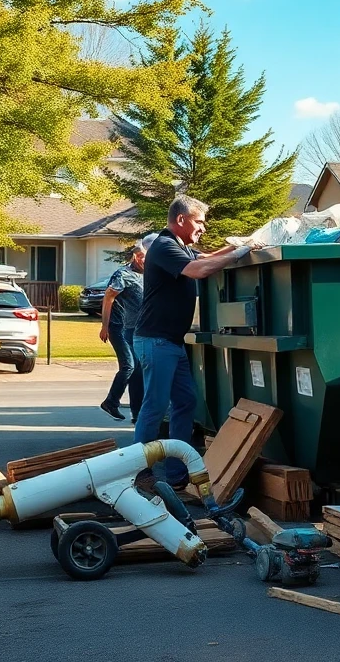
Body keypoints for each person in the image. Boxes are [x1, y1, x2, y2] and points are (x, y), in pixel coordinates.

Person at [134, 195, 260, 488]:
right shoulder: (165, 246)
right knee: (155, 405)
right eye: (199, 221)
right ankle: (138, 472)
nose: (202, 227)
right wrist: (240, 254)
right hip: (156, 341)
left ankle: (178, 474)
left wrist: (244, 243)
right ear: (181, 220)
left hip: (170, 343)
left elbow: (205, 258)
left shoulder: (180, 247)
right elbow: (199, 270)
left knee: (185, 401)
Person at [96, 233, 156, 423]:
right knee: (129, 365)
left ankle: (137, 414)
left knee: (137, 370)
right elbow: (108, 297)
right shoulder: (123, 275)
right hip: (118, 327)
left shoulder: (149, 273)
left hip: (135, 328)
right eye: (146, 259)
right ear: (137, 257)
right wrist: (104, 325)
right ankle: (111, 402)